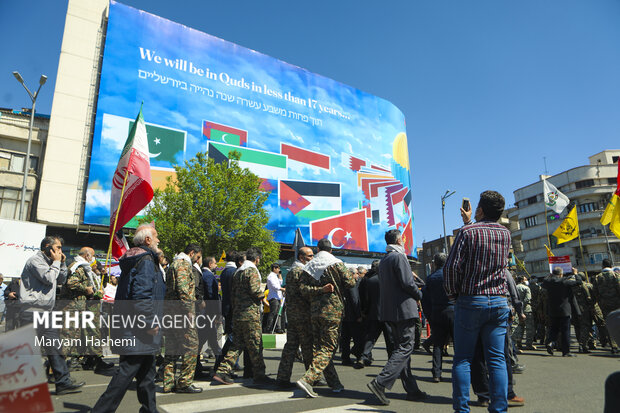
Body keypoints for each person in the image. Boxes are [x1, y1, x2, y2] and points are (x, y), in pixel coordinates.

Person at [443, 190, 511, 413]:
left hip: (471, 300)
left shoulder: (466, 232)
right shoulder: (505, 233)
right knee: (497, 360)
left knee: (462, 359)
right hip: (499, 301)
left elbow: (452, 267)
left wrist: (453, 294)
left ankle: (462, 409)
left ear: (480, 210)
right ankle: (499, 408)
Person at [92, 224, 165, 412]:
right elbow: (142, 295)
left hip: (132, 326)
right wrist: (148, 323)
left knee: (147, 375)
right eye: (155, 236)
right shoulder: (147, 260)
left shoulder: (136, 259)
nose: (158, 240)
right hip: (139, 329)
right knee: (126, 373)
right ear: (148, 240)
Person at [19, 235, 85, 395]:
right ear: (48, 247)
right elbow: (48, 278)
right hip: (32, 312)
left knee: (55, 348)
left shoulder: (53, 264)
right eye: (58, 248)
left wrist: (61, 263)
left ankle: (63, 382)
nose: (61, 252)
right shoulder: (35, 261)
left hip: (46, 313)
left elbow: (61, 279)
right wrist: (56, 262)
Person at [367, 229, 426, 406]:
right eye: (403, 238)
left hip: (390, 311)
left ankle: (412, 390)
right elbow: (407, 283)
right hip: (403, 309)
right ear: (399, 240)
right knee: (405, 347)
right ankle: (380, 383)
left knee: (401, 350)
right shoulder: (399, 257)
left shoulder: (385, 259)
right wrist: (419, 295)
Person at [296, 238, 353, 397]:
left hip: (315, 312)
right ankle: (308, 379)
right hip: (332, 311)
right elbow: (350, 282)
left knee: (322, 348)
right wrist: (326, 289)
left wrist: (319, 289)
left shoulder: (309, 266)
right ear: (331, 250)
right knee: (328, 348)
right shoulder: (336, 263)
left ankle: (335, 383)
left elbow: (303, 289)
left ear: (317, 249)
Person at [213, 247, 271, 385]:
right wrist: (263, 296)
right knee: (256, 345)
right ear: (256, 259)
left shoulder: (238, 272)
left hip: (238, 313)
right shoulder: (251, 270)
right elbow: (255, 291)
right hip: (250, 314)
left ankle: (222, 371)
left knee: (236, 345)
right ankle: (259, 375)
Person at [162, 243, 203, 393]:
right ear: (192, 253)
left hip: (171, 311)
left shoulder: (173, 263)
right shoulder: (183, 264)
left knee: (172, 348)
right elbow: (183, 288)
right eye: (198, 257)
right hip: (181, 312)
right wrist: (188, 309)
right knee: (191, 345)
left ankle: (168, 382)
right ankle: (184, 382)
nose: (198, 261)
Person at [276, 246, 319, 388]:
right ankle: (311, 377)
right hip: (302, 314)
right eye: (310, 256)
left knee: (291, 346)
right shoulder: (301, 271)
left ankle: (283, 377)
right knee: (307, 346)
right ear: (302, 258)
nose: (312, 258)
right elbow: (304, 292)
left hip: (293, 314)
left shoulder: (292, 271)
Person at [424, 252, 454, 383]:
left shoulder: (430, 278)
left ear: (435, 263)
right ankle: (460, 372)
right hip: (452, 311)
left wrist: (429, 315)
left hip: (436, 311)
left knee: (437, 344)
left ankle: (436, 373)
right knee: (458, 343)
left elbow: (426, 299)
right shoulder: (451, 276)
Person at [359, 260, 394, 366]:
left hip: (374, 313)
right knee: (390, 339)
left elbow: (366, 299)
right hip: (388, 314)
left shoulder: (370, 281)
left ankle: (364, 356)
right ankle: (391, 360)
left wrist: (365, 311)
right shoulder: (390, 281)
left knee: (370, 337)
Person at [542, 267, 581, 357]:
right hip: (564, 310)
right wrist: (575, 273)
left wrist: (550, 275)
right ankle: (566, 351)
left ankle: (551, 343)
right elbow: (579, 282)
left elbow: (544, 281)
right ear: (561, 274)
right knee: (565, 331)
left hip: (552, 310)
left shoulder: (548, 282)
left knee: (553, 329)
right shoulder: (564, 281)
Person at [592, 259, 620, 354]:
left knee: (609, 323)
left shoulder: (597, 277)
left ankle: (614, 346)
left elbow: (595, 292)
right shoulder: (616, 275)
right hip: (617, 304)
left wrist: (599, 301)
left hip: (604, 305)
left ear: (602, 266)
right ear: (611, 266)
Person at [340, 266, 363, 367]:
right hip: (352, 316)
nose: (358, 275)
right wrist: (358, 315)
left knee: (345, 338)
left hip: (344, 315)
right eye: (357, 273)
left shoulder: (342, 284)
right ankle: (359, 356)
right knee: (357, 338)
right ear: (352, 274)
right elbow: (355, 300)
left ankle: (345, 358)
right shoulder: (352, 284)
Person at [512, 275, 535, 351]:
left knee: (519, 327)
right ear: (522, 280)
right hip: (527, 309)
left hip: (516, 310)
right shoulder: (526, 288)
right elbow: (527, 298)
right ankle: (529, 344)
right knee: (529, 328)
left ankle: (518, 343)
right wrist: (522, 306)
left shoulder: (515, 287)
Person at [265, 263, 284, 333]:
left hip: (278, 297)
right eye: (278, 268)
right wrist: (283, 289)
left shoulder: (276, 276)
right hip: (273, 297)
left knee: (278, 313)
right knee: (273, 313)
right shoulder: (271, 276)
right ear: (274, 269)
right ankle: (269, 328)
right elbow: (275, 286)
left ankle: (278, 327)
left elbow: (280, 282)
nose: (279, 270)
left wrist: (280, 274)